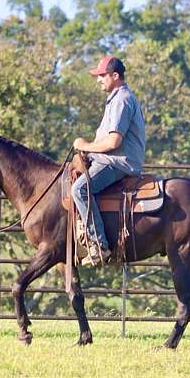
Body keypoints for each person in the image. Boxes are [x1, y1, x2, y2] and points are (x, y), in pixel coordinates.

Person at [72, 55, 146, 266]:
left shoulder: (122, 100)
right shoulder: (116, 99)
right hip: (111, 159)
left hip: (117, 162)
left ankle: (99, 244)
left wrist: (85, 146)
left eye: (102, 75)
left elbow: (113, 142)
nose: (98, 79)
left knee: (80, 190)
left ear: (115, 76)